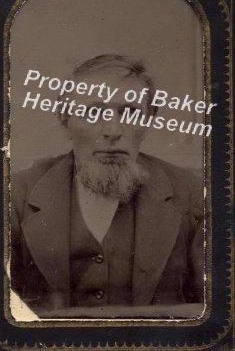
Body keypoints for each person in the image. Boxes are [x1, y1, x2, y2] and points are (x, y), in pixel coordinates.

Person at [11, 54, 204, 318]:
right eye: (93, 112)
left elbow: (219, 314)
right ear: (65, 119)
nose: (113, 130)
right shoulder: (17, 195)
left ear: (149, 120)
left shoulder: (191, 194)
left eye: (130, 112)